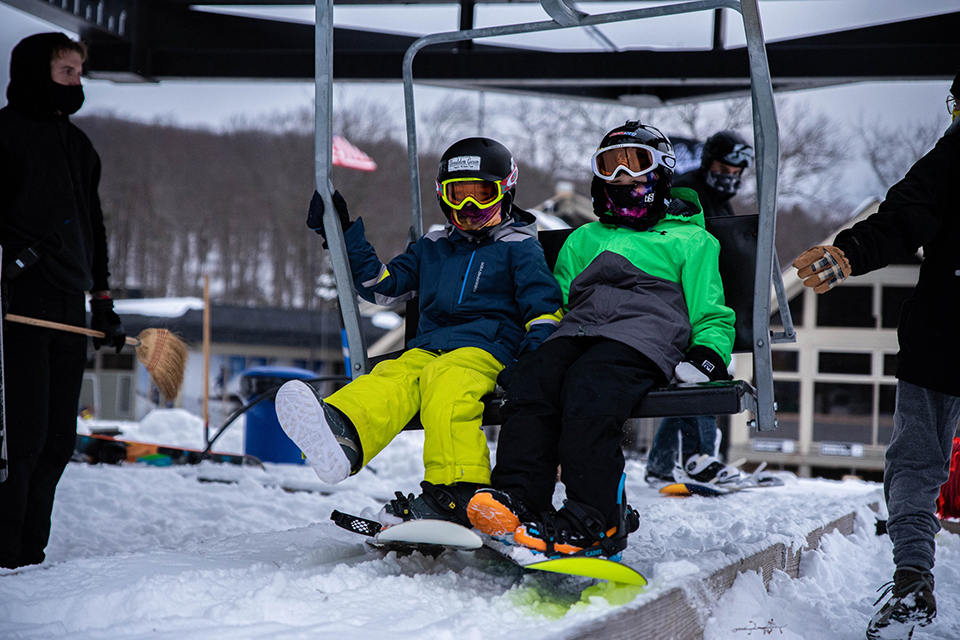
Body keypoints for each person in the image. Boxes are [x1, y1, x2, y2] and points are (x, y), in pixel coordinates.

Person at [466, 121, 735, 559]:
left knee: (590, 389)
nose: (621, 178)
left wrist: (707, 354)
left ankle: (596, 516)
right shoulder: (585, 238)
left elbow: (713, 312)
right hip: (579, 330)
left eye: (634, 164)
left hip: (643, 336)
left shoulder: (692, 240)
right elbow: (556, 303)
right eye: (609, 166)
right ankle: (519, 498)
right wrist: (535, 346)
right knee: (533, 383)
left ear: (661, 171)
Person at [275, 137, 562, 527]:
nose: (470, 208)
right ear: (444, 198)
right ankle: (344, 431)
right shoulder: (434, 246)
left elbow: (543, 309)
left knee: (448, 386)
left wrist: (531, 361)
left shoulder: (519, 249)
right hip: (429, 349)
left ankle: (459, 494)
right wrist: (341, 234)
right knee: (395, 376)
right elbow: (382, 286)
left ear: (506, 192)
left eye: (482, 194)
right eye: (458, 195)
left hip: (487, 350)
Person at [793, 71, 959, 640]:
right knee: (916, 462)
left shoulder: (955, 153)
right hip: (943, 336)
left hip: (946, 334)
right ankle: (911, 579)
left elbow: (907, 215)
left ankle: (913, 578)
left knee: (915, 463)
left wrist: (849, 253)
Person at [0, 33, 126, 569]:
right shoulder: (3, 135)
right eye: (67, 73)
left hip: (69, 306)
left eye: (80, 72)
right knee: (21, 441)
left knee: (57, 441)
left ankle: (31, 553)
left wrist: (102, 299)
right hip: (16, 304)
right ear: (36, 72)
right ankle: (5, 552)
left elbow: (93, 229)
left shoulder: (80, 147)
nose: (78, 83)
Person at [644, 130, 754, 486]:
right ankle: (699, 455)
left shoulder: (722, 203)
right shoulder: (685, 194)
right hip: (678, 302)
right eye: (724, 167)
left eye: (738, 172)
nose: (729, 177)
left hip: (707, 302)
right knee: (705, 371)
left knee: (692, 377)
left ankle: (662, 464)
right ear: (709, 161)